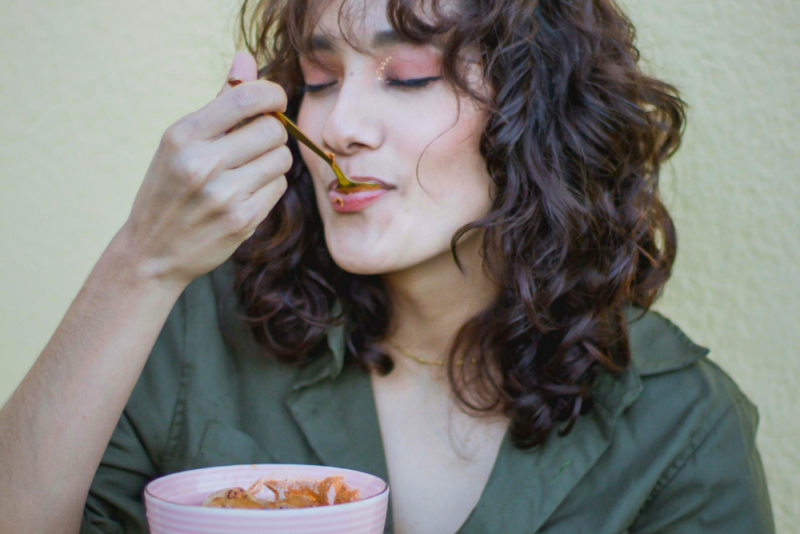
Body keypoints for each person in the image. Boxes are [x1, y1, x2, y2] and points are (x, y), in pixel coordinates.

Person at [0, 0, 775, 532]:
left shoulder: (681, 426)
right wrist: (140, 261)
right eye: (321, 78)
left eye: (408, 76)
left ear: (538, 109)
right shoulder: (195, 332)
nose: (340, 126)